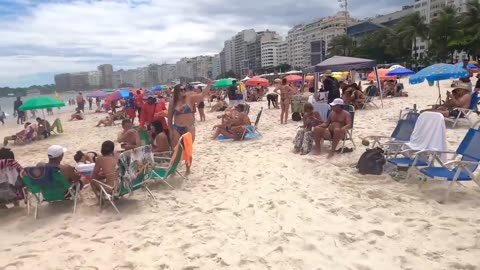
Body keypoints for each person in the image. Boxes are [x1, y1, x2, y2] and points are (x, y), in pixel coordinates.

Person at [168, 83, 212, 174]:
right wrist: (170, 131)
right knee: (176, 150)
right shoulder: (173, 102)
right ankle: (173, 170)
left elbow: (202, 95)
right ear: (176, 92)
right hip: (177, 127)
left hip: (189, 127)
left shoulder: (190, 98)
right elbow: (169, 118)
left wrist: (208, 85)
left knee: (188, 149)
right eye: (181, 90)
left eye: (184, 89)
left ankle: (188, 169)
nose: (184, 91)